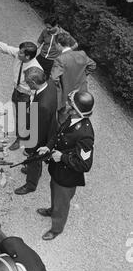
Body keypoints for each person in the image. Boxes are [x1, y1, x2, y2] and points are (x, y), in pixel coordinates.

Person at [36, 90, 95, 240]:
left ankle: (56, 228)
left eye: (71, 103)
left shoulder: (86, 133)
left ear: (77, 110)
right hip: (58, 170)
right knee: (54, 194)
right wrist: (48, 147)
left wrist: (62, 157)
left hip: (67, 178)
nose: (68, 104)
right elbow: (58, 135)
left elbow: (84, 164)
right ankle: (52, 209)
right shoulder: (72, 118)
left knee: (62, 203)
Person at [0, 35, 42, 151]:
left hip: (26, 95)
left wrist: (32, 103)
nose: (18, 54)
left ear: (28, 56)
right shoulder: (19, 54)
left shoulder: (36, 69)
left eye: (21, 53)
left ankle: (20, 139)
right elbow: (4, 48)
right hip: (16, 91)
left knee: (23, 118)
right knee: (16, 113)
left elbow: (38, 88)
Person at [14, 67, 58, 195]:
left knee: (35, 157)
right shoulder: (49, 83)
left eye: (28, 83)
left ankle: (31, 184)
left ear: (33, 83)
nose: (27, 85)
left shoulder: (43, 106)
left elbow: (38, 131)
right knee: (35, 160)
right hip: (45, 122)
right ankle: (33, 169)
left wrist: (29, 147)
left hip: (41, 133)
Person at [50, 33, 96, 117]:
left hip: (66, 96)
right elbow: (92, 65)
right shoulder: (81, 54)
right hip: (81, 93)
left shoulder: (60, 59)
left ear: (59, 45)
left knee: (61, 117)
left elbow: (54, 78)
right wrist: (82, 75)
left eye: (55, 44)